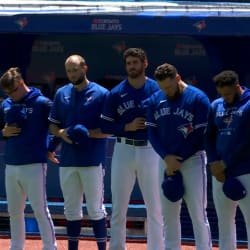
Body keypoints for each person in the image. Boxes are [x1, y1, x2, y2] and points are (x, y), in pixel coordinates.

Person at [101, 47, 164, 250]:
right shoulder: (116, 93)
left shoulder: (157, 90)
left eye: (135, 63)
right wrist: (125, 127)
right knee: (119, 206)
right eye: (128, 63)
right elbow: (105, 126)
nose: (132, 67)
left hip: (150, 150)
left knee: (155, 206)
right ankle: (117, 247)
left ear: (145, 64)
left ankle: (156, 247)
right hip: (124, 149)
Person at [145, 63, 212, 250]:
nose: (166, 91)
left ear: (177, 78)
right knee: (169, 214)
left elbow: (200, 136)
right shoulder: (154, 99)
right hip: (165, 161)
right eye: (162, 88)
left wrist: (178, 158)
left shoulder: (198, 98)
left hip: (192, 160)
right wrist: (166, 157)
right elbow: (151, 132)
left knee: (198, 213)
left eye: (169, 86)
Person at [48, 54, 108, 250]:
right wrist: (62, 134)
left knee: (95, 210)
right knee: (71, 210)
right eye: (69, 71)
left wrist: (87, 133)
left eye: (75, 70)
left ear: (85, 68)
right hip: (68, 160)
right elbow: (53, 127)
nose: (72, 74)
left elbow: (108, 129)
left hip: (92, 160)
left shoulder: (101, 94)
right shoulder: (61, 93)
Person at [0, 67, 57, 250]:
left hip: (34, 164)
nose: (11, 95)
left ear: (22, 83)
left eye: (13, 90)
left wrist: (50, 148)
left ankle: (50, 247)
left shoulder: (41, 103)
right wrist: (3, 132)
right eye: (7, 92)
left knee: (40, 210)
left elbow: (58, 127)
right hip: (12, 164)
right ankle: (16, 246)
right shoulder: (6, 104)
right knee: (14, 211)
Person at [205, 70, 250, 250]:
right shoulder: (216, 105)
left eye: (229, 94)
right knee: (224, 222)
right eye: (222, 94)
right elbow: (208, 137)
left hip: (246, 170)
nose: (226, 98)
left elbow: (247, 141)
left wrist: (226, 162)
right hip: (221, 173)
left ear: (238, 87)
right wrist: (214, 162)